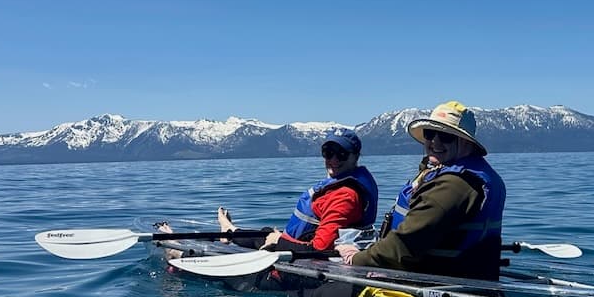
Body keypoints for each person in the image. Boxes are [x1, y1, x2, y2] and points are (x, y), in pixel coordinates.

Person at [336, 100, 505, 280]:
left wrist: (356, 258)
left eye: (446, 136)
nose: (435, 142)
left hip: (436, 286)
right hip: (463, 279)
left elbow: (406, 243)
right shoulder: (467, 174)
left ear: (465, 143)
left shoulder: (454, 185)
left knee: (319, 293)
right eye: (430, 134)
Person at [185, 127, 379, 257]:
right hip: (298, 241)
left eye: (342, 154)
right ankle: (229, 231)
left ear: (356, 156)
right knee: (265, 233)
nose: (334, 160)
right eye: (329, 153)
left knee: (269, 237)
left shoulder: (345, 196)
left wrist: (280, 242)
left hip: (307, 256)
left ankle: (226, 234)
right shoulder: (342, 185)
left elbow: (319, 248)